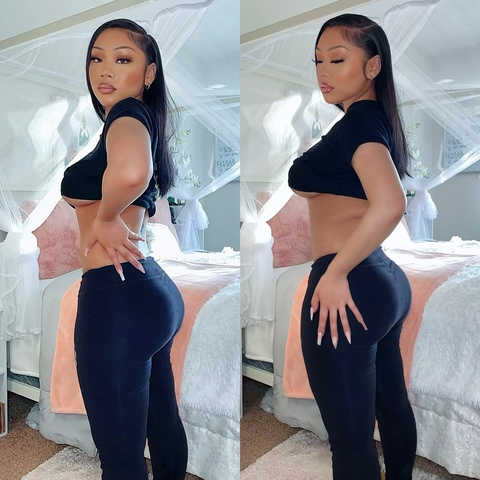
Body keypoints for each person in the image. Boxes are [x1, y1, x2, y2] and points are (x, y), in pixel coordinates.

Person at [288, 13, 416, 480]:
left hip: (353, 279)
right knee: (391, 403)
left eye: (338, 59)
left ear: (372, 66)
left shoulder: (360, 123)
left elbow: (391, 203)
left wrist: (336, 272)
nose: (323, 71)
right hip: (383, 280)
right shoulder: (369, 120)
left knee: (350, 441)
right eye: (318, 60)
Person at [60, 19, 187, 480]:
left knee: (120, 457)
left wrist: (106, 218)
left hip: (115, 300)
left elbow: (133, 172)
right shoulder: (139, 121)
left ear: (149, 73)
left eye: (123, 58)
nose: (104, 69)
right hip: (151, 292)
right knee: (162, 422)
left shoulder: (126, 115)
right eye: (96, 58)